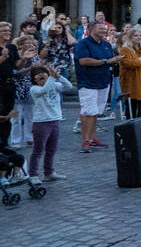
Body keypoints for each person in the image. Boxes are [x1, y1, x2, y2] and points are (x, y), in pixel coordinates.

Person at [73, 21, 120, 152]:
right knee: (88, 112)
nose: (104, 31)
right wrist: (105, 62)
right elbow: (83, 61)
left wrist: (115, 61)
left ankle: (92, 139)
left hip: (103, 83)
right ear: (92, 29)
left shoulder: (106, 44)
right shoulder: (83, 43)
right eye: (101, 29)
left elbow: (109, 61)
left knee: (96, 113)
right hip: (88, 83)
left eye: (105, 29)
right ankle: (85, 142)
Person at [28, 63, 73, 183]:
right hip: (41, 123)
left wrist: (58, 76)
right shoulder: (34, 89)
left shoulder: (55, 84)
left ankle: (49, 173)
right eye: (36, 74)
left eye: (43, 72)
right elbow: (44, 90)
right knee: (38, 150)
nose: (40, 75)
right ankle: (33, 175)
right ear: (33, 79)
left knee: (51, 149)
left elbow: (68, 86)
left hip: (55, 121)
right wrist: (52, 78)